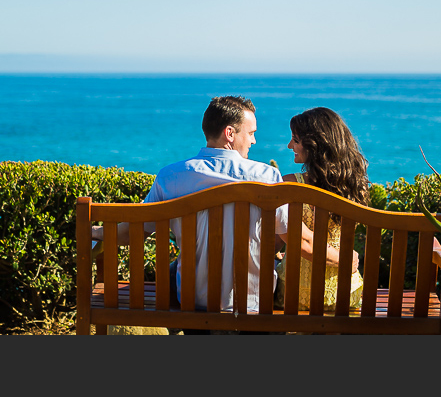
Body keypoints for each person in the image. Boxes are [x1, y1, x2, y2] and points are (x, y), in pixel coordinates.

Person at [91, 96, 357, 314]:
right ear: (230, 133)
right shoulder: (266, 178)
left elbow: (135, 231)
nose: (254, 141)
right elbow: (301, 242)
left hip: (191, 303)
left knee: (175, 268)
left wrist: (99, 232)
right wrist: (346, 258)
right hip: (253, 305)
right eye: (251, 133)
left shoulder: (171, 177)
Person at [277, 107, 369, 311]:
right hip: (345, 292)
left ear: (314, 145)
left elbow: (298, 240)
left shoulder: (291, 184)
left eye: (296, 140)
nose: (289, 145)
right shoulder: (356, 187)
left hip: (295, 293)